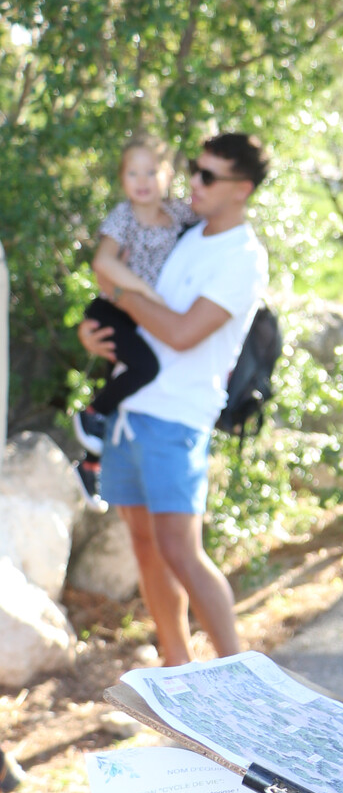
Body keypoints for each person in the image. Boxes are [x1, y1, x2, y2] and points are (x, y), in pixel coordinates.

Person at [77, 131, 269, 666]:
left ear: (243, 189)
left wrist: (119, 292)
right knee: (146, 549)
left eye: (208, 176)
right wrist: (94, 332)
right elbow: (128, 305)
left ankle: (238, 679)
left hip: (176, 417)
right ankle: (178, 671)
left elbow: (182, 333)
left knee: (182, 553)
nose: (194, 183)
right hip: (128, 412)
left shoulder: (244, 257)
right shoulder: (185, 233)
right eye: (194, 170)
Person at [73, 140, 193, 486]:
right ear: (122, 179)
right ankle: (91, 413)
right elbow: (103, 262)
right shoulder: (123, 216)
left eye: (152, 171)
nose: (142, 180)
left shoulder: (177, 214)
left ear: (168, 174)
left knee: (119, 380)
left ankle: (90, 466)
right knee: (143, 367)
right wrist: (146, 292)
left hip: (139, 316)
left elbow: (212, 217)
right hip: (113, 310)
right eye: (132, 172)